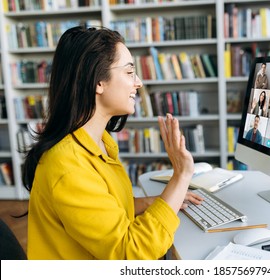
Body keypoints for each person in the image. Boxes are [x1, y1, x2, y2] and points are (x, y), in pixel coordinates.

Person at [21, 26, 203, 260]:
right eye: (129, 72)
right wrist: (181, 175)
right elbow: (130, 253)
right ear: (98, 81)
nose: (138, 83)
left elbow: (107, 208)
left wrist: (161, 200)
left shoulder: (99, 144)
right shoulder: (68, 166)